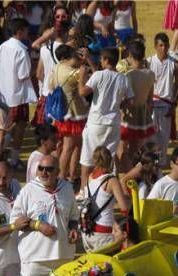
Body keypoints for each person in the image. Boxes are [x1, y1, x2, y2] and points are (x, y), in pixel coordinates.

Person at [11, 155, 79, 276]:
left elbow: (73, 215)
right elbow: (15, 220)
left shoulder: (66, 189)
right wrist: (37, 225)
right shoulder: (29, 191)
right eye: (40, 168)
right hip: (35, 258)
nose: (43, 172)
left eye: (49, 169)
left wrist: (73, 228)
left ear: (57, 171)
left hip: (63, 256)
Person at [78, 47, 134, 184]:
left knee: (87, 159)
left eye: (102, 59)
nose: (100, 61)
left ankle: (84, 190)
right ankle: (107, 190)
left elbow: (82, 92)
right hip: (113, 124)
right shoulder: (123, 78)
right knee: (109, 159)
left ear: (106, 60)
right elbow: (131, 101)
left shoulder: (99, 75)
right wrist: (120, 105)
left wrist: (81, 77)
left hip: (96, 123)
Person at [0, 18, 37, 170]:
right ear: (19, 32)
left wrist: (0, 87)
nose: (27, 33)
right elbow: (23, 75)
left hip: (5, 95)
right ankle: (12, 158)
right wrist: (34, 68)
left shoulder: (2, 46)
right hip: (18, 96)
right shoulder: (21, 51)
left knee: (7, 126)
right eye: (25, 30)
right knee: (18, 127)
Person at [50, 44, 89, 184]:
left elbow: (51, 85)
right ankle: (61, 177)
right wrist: (88, 61)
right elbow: (87, 86)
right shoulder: (76, 73)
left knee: (75, 145)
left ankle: (71, 176)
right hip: (75, 114)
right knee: (69, 147)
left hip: (65, 112)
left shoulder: (58, 66)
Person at [82, 146, 131, 252]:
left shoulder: (88, 178)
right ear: (111, 161)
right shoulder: (111, 180)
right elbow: (124, 208)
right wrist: (127, 196)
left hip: (87, 231)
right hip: (104, 232)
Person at [118, 39, 155, 171]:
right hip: (142, 115)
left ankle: (124, 175)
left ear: (130, 56)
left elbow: (125, 98)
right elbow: (150, 98)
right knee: (136, 149)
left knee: (121, 148)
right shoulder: (150, 74)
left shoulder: (128, 75)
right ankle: (134, 174)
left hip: (128, 115)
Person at [149, 32, 178, 164]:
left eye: (166, 45)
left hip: (167, 104)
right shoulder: (148, 62)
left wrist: (174, 105)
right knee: (151, 137)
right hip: (151, 104)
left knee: (164, 138)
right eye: (161, 45)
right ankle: (151, 164)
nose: (164, 48)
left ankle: (160, 165)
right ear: (155, 46)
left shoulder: (175, 63)